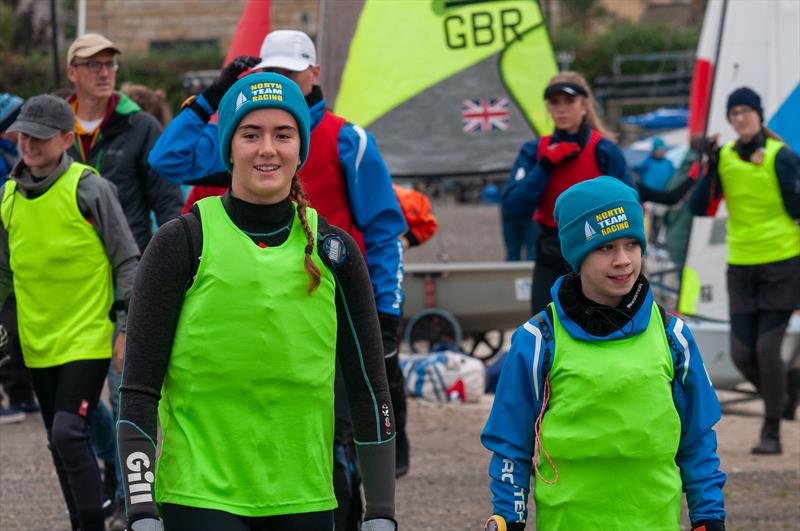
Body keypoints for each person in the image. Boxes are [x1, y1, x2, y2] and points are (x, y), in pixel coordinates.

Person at [148, 29, 409, 523]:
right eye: (273, 71)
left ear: (314, 73)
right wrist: (215, 94)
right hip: (239, 305)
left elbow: (383, 229)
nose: (283, 80)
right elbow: (168, 159)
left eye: (292, 71)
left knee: (335, 454)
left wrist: (386, 314)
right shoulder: (242, 125)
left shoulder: (347, 137)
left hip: (325, 304)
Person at [482, 176, 726, 531]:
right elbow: (509, 444)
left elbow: (698, 439)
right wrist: (509, 516)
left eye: (632, 244)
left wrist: (708, 516)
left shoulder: (674, 336)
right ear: (577, 255)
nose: (623, 261)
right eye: (605, 248)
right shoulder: (538, 339)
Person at [0, 94, 139, 531]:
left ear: (65, 139)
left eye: (40, 137)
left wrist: (124, 326)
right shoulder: (9, 195)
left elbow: (127, 259)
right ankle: (83, 521)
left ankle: (93, 521)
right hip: (38, 339)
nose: (29, 144)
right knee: (57, 443)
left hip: (88, 334)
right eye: (23, 135)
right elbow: (3, 269)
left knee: (67, 433)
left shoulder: (90, 188)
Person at [66, 33, 183, 526]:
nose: (104, 71)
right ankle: (114, 469)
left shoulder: (140, 127)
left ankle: (124, 488)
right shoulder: (52, 125)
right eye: (93, 64)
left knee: (123, 387)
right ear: (72, 71)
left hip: (126, 281)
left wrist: (171, 267)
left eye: (110, 63)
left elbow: (169, 204)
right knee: (73, 400)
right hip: (69, 287)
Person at [690, 86, 800, 454]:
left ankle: (771, 431)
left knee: (767, 350)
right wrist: (706, 164)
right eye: (734, 112)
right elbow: (699, 208)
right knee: (741, 355)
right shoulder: (723, 157)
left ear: (759, 114)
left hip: (783, 262)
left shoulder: (780, 156)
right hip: (741, 266)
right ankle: (785, 390)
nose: (740, 118)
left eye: (746, 111)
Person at [501, 72, 637, 314]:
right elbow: (513, 206)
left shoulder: (605, 150)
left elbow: (631, 205)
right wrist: (544, 167)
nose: (561, 109)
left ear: (584, 105)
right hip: (551, 254)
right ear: (548, 108)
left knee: (606, 331)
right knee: (546, 335)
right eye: (555, 102)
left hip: (598, 254)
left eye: (569, 101)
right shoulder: (534, 152)